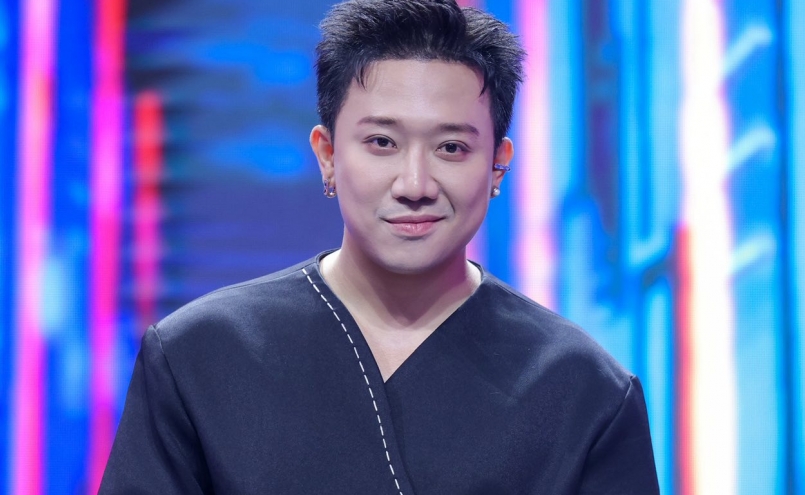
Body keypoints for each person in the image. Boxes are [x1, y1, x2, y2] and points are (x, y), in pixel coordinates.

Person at [99, 0, 660, 493]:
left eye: (451, 148)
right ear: (327, 154)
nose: (415, 184)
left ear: (498, 165)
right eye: (382, 142)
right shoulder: (199, 355)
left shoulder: (584, 390)